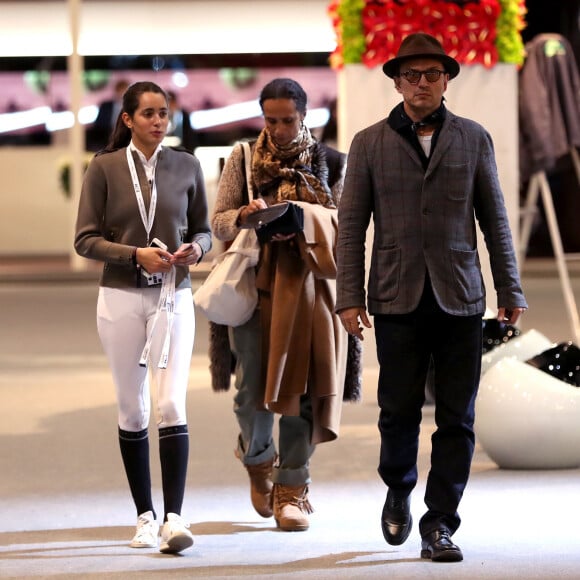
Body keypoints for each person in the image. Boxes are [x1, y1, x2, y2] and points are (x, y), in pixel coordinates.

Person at [335, 33, 527, 562]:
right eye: (412, 75)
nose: (422, 84)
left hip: (460, 295)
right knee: (397, 411)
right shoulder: (369, 143)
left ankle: (440, 522)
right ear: (396, 82)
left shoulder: (473, 138)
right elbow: (350, 229)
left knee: (457, 417)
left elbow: (495, 220)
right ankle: (398, 487)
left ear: (446, 80)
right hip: (395, 296)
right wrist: (349, 297)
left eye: (432, 75)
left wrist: (510, 287)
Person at [211, 77, 355, 532]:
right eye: (270, 120)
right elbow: (217, 222)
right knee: (250, 390)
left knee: (305, 388)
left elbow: (350, 227)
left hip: (311, 289)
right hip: (257, 289)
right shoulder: (244, 158)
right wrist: (244, 217)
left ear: (304, 116)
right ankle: (258, 458)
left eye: (287, 120)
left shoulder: (332, 161)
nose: (278, 129)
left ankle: (293, 486)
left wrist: (307, 220)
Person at [74, 81, 212, 553]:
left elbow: (205, 230)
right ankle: (145, 516)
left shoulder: (187, 165)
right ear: (128, 118)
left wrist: (197, 249)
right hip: (120, 299)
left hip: (174, 297)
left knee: (171, 403)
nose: (158, 120)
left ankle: (175, 517)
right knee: (132, 408)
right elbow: (85, 239)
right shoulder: (105, 167)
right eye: (148, 113)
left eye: (163, 112)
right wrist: (135, 254)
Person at [87, 79, 130, 151]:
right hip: (106, 134)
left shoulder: (131, 107)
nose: (123, 93)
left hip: (126, 135)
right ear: (116, 91)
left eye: (125, 91)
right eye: (121, 90)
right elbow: (98, 124)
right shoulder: (106, 106)